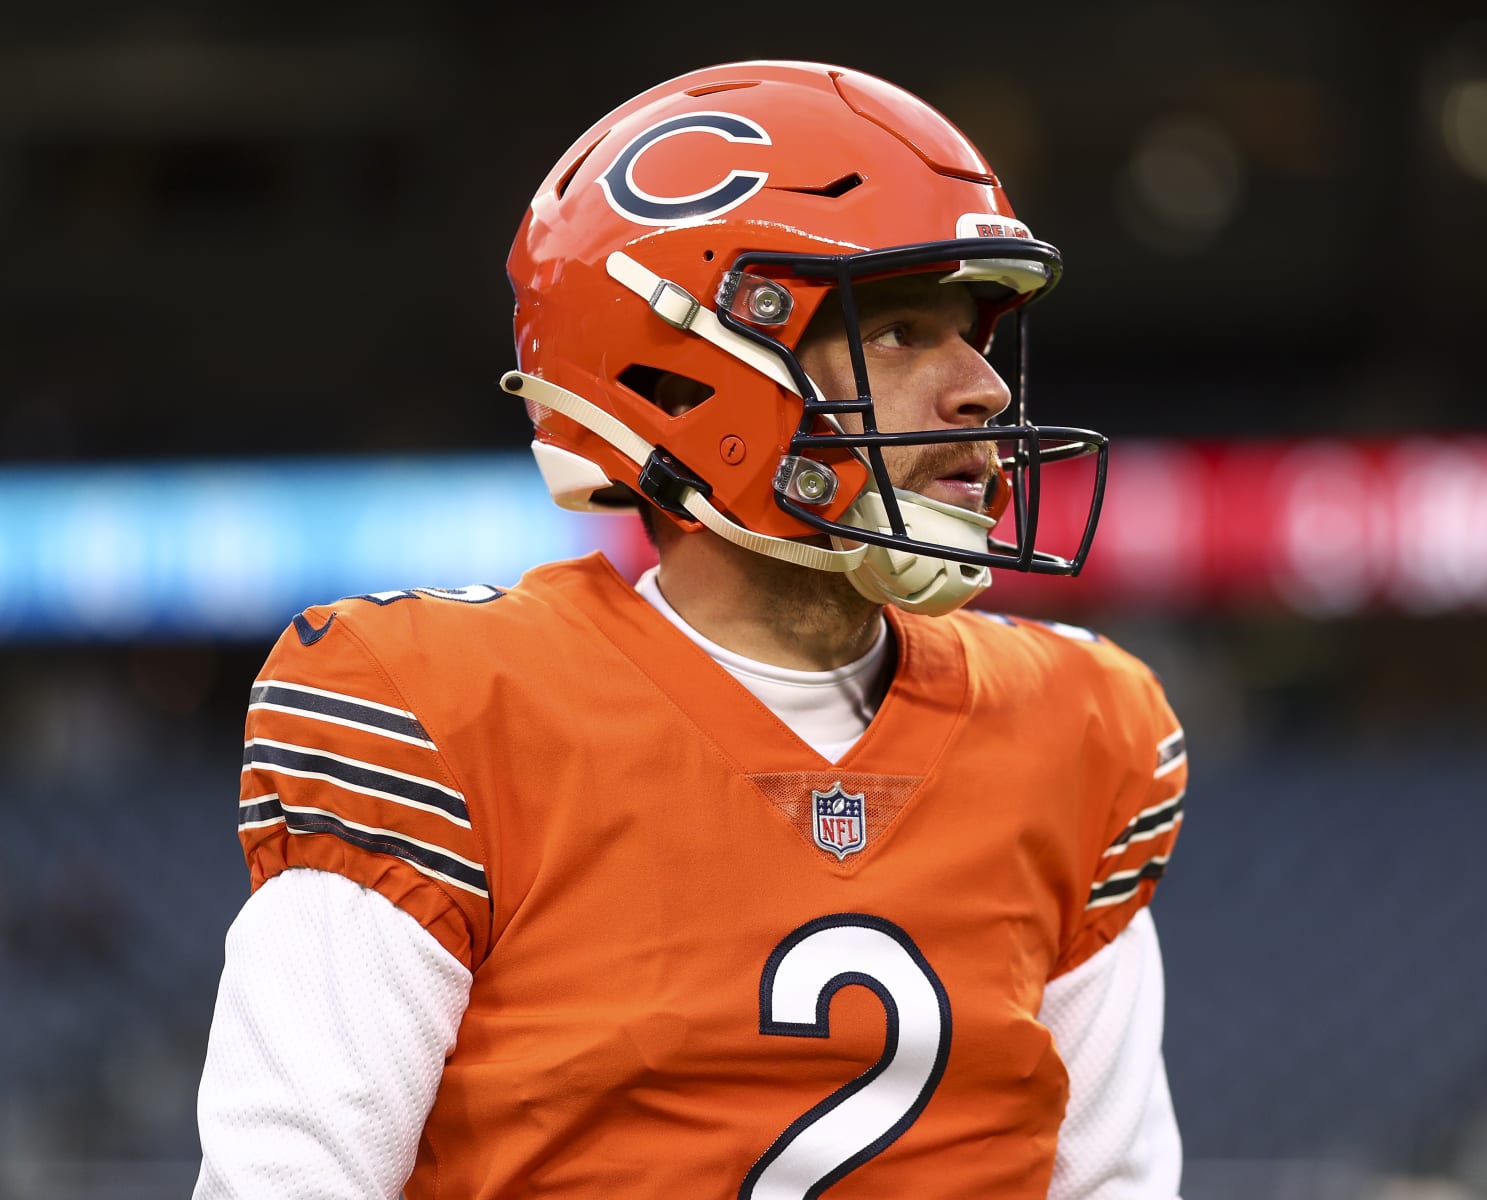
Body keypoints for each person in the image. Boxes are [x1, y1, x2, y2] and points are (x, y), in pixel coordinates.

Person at [192, 59, 1187, 1199]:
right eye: (904, 331)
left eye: (972, 335)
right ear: (689, 363)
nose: (983, 391)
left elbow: (1109, 1182)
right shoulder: (440, 707)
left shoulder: (1078, 728)